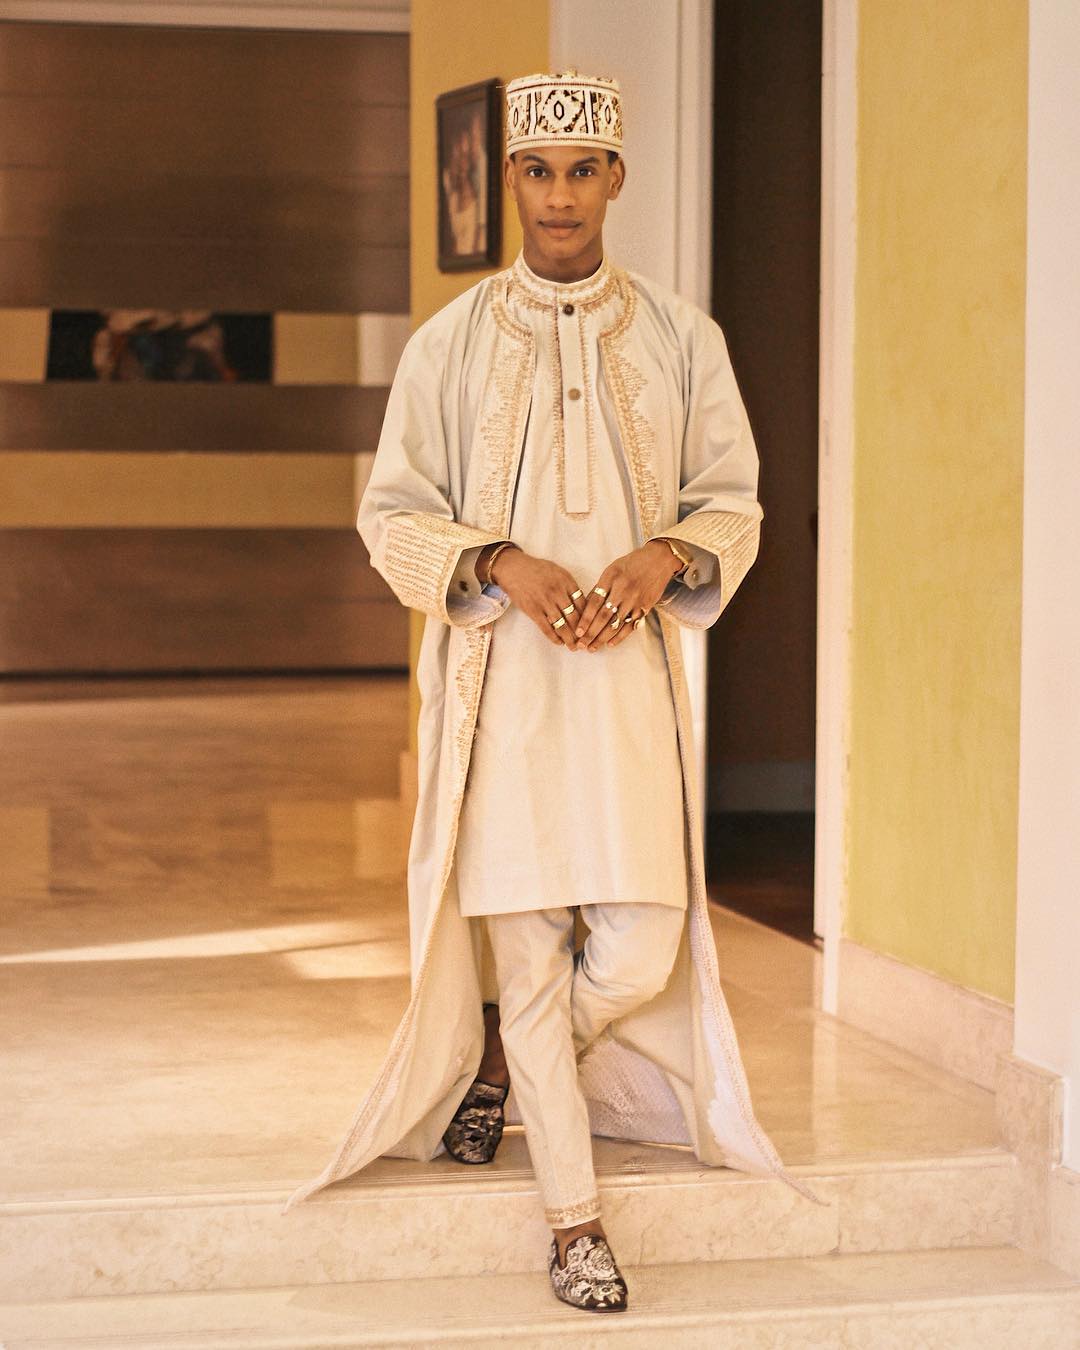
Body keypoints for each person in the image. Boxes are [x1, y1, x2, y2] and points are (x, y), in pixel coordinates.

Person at [284, 69, 814, 1313]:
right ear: (514, 179)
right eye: (538, 171)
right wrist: (499, 564)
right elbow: (389, 515)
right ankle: (574, 1225)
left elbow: (733, 501)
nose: (560, 196)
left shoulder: (683, 338)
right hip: (503, 692)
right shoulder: (449, 345)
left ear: (616, 178)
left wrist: (663, 556)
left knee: (638, 950)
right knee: (524, 962)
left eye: (583, 172)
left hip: (625, 691)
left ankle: (505, 1069)